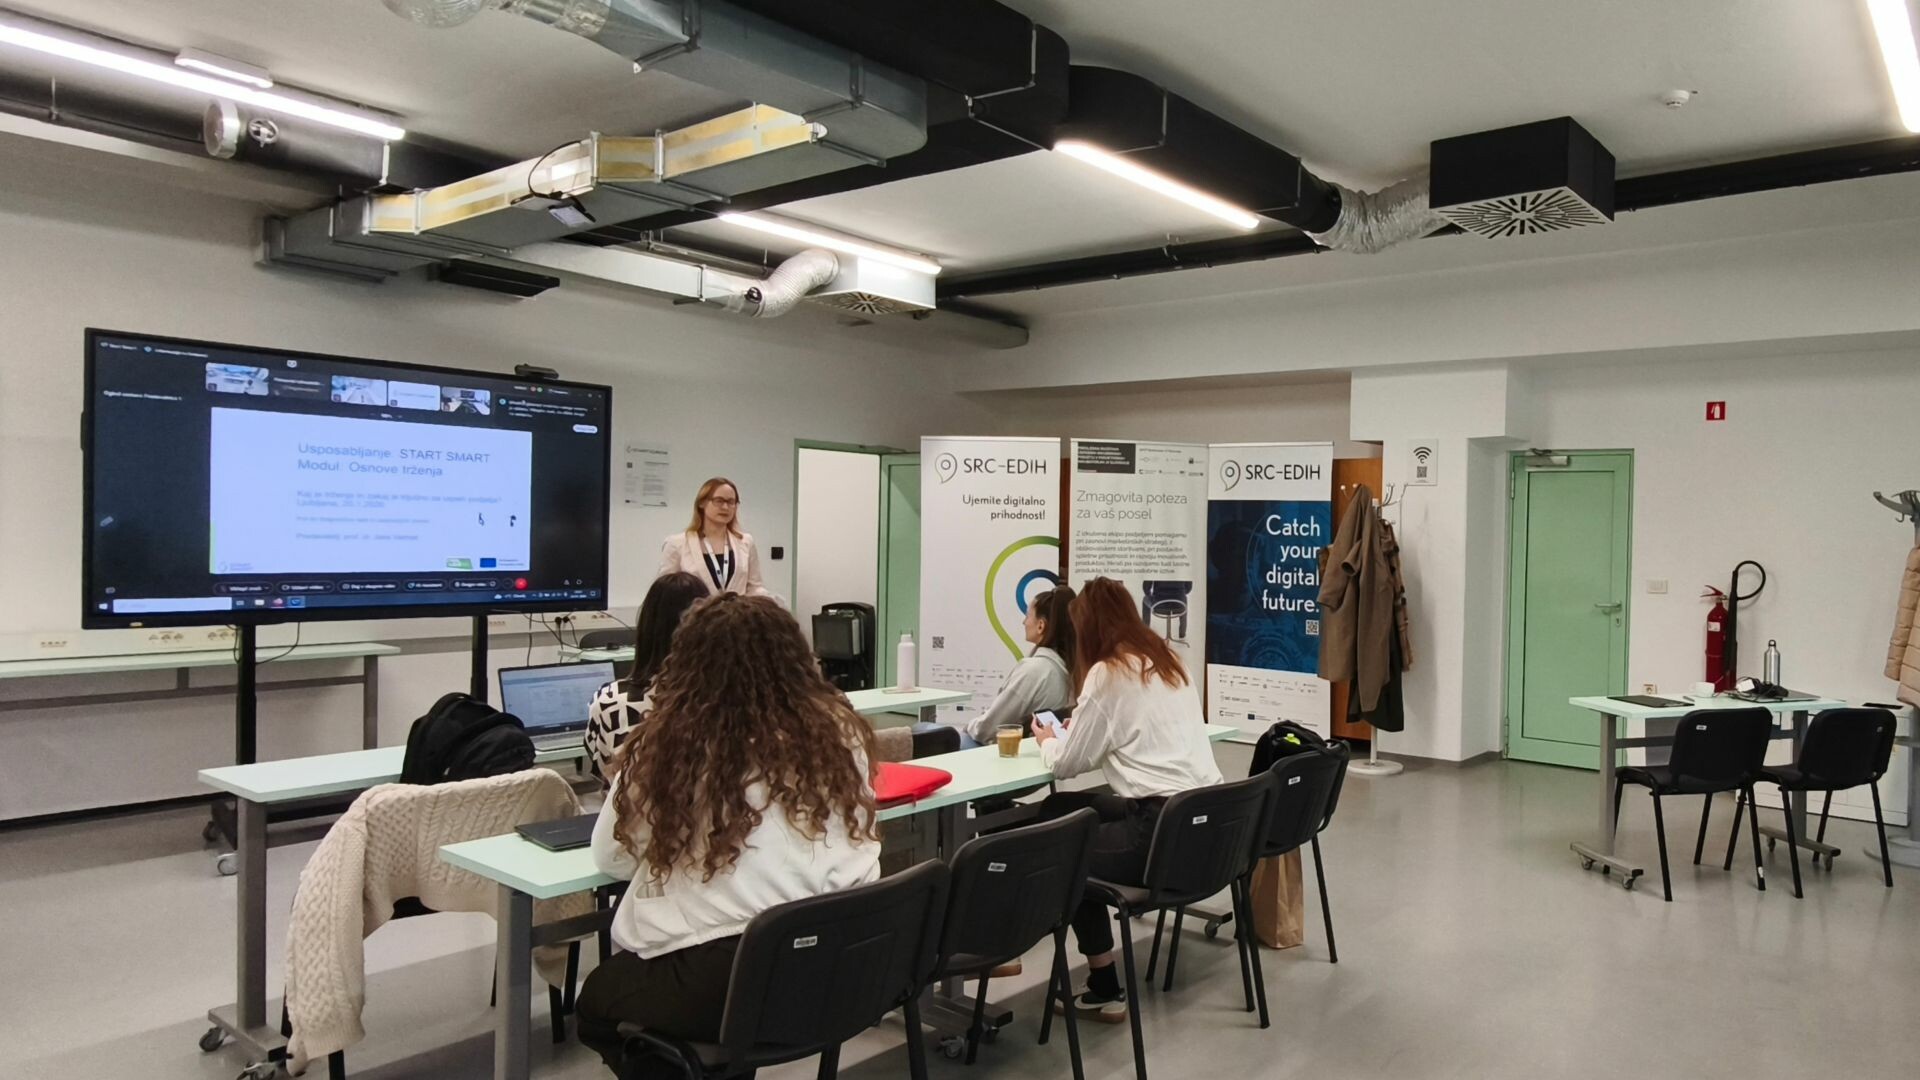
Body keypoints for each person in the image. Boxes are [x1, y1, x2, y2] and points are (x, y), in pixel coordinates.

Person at [575, 594, 882, 1076]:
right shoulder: (839, 732)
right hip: (845, 958)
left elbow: (610, 858)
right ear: (795, 658)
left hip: (732, 975)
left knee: (597, 1003)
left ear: (689, 666)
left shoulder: (672, 747)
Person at [1032, 576, 1223, 1024]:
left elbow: (1067, 764)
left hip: (1158, 834)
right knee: (1061, 810)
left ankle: (1104, 988)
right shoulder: (1169, 661)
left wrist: (1047, 740)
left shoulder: (1106, 673)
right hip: (1206, 821)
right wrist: (1084, 728)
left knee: (1066, 848)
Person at [582, 571, 709, 780]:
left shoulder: (609, 701)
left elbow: (602, 770)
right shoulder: (723, 702)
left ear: (645, 629)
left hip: (628, 800)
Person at [946, 585, 1077, 748]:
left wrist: (968, 727)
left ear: (1041, 626)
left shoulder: (1033, 671)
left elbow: (988, 729)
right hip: (1038, 750)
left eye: (1027, 616)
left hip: (1008, 750)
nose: (1024, 622)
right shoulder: (1071, 671)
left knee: (941, 737)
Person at [659, 477, 770, 597]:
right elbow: (664, 591)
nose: (725, 507)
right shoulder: (677, 544)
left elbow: (755, 586)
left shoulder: (745, 541)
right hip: (695, 609)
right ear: (702, 503)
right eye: (719, 501)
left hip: (738, 609)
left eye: (731, 502)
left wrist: (769, 601)